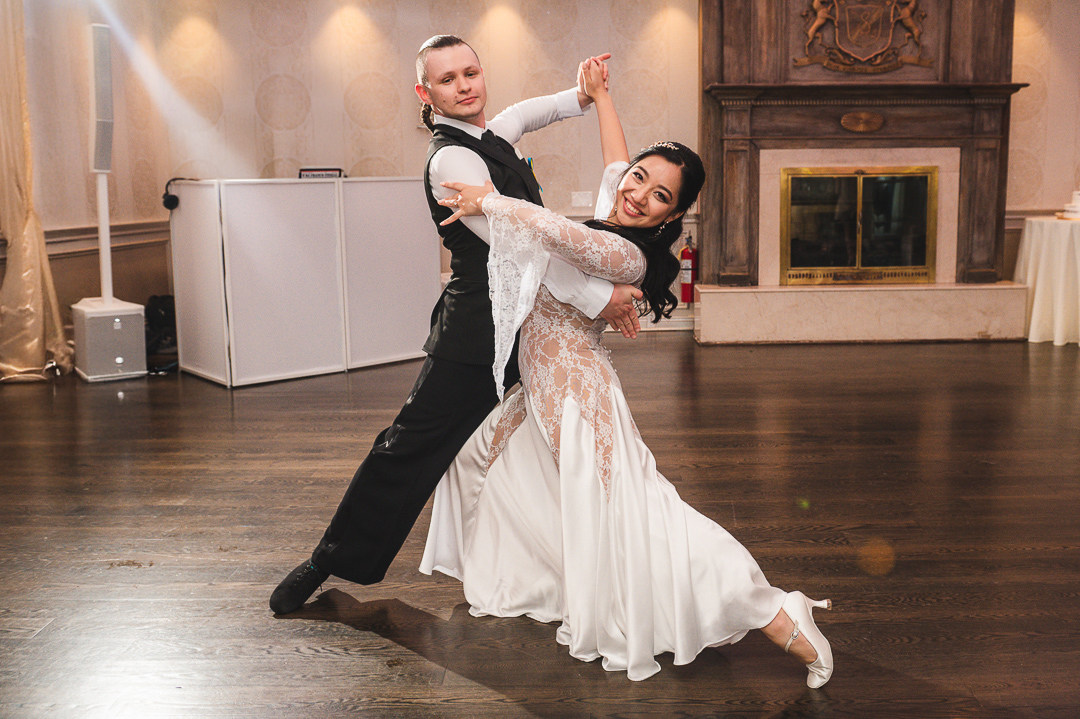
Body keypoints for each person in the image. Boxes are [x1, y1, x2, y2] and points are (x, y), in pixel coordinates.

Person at [419, 58, 835, 685]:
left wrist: (490, 201)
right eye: (640, 179)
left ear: (671, 218)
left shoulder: (623, 251)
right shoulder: (615, 210)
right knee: (482, 464)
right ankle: (544, 581)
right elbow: (616, 163)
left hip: (580, 401)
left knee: (643, 517)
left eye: (659, 196)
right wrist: (600, 96)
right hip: (540, 393)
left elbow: (551, 230)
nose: (638, 193)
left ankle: (776, 612)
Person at [269, 36, 643, 615]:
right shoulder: (452, 159)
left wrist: (585, 92)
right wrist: (602, 297)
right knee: (408, 448)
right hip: (477, 335)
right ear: (426, 93)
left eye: (471, 72)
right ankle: (329, 559)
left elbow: (535, 110)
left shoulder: (492, 135)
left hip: (534, 328)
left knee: (535, 449)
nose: (464, 85)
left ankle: (559, 572)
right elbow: (520, 251)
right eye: (448, 79)